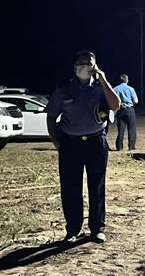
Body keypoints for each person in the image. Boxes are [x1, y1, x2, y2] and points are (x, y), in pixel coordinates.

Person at [46, 51, 121, 243]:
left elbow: (115, 105)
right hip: (70, 144)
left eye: (89, 62)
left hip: (96, 143)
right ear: (74, 67)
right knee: (70, 188)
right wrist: (57, 143)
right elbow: (51, 117)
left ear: (95, 66)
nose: (84, 66)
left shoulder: (101, 88)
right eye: (81, 62)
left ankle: (97, 228)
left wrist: (103, 79)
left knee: (97, 186)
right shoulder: (64, 90)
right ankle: (72, 230)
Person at [113, 73, 139, 151]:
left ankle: (119, 146)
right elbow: (136, 101)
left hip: (120, 110)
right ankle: (131, 146)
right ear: (127, 80)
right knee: (131, 129)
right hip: (129, 110)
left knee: (120, 129)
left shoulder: (115, 89)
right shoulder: (131, 89)